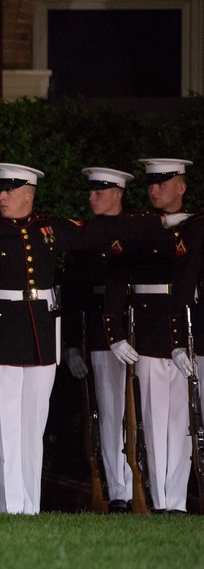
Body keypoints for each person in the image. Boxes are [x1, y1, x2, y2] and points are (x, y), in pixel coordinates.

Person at [0, 162, 85, 514]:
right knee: (5, 425)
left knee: (33, 426)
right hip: (2, 333)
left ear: (28, 194)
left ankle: (31, 505)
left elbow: (91, 239)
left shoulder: (48, 228)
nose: (1, 196)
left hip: (41, 332)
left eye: (9, 190)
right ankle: (10, 505)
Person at [105, 158, 194, 514]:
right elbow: (116, 279)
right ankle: (160, 499)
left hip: (190, 328)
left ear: (181, 187)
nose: (154, 189)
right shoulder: (138, 227)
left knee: (185, 422)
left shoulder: (196, 227)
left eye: (163, 183)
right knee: (155, 420)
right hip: (149, 327)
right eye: (151, 184)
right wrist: (115, 333)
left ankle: (179, 500)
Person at [60, 167, 134, 513]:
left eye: (99, 192)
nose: (92, 197)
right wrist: (72, 343)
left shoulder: (138, 229)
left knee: (144, 412)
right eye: (91, 191)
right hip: (101, 333)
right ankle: (119, 491)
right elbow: (73, 294)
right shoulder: (85, 236)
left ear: (117, 194)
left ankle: (145, 483)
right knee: (109, 412)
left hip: (139, 326)